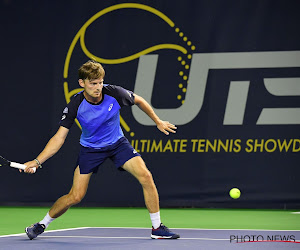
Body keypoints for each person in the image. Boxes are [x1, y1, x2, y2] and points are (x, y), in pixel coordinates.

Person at [23, 60, 180, 240]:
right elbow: (59, 137)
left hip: (118, 144)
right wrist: (37, 161)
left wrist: (158, 121)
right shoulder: (76, 105)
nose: (98, 87)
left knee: (146, 176)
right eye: (93, 83)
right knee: (75, 196)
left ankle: (157, 228)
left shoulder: (114, 93)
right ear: (82, 83)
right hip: (90, 150)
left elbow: (139, 100)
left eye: (100, 82)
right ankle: (42, 224)